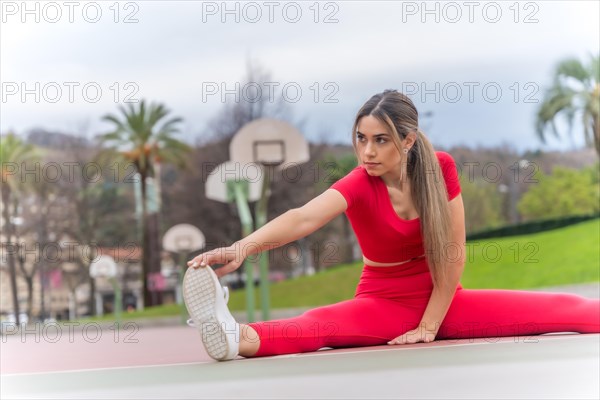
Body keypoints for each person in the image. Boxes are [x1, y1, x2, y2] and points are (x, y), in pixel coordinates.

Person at [183, 90, 600, 361]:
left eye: (380, 139)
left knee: (563, 309)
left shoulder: (441, 170)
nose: (367, 151)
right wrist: (242, 248)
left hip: (444, 299)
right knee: (316, 326)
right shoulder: (359, 184)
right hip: (383, 302)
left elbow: (453, 256)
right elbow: (302, 217)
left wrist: (429, 327)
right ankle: (232, 334)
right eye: (361, 138)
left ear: (408, 140)